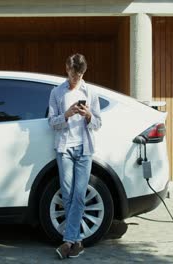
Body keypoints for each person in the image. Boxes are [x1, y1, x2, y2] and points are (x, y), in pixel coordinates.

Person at [47, 53, 102, 259]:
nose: (74, 79)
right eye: (72, 74)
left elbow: (98, 123)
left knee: (79, 195)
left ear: (83, 72)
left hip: (84, 149)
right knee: (68, 196)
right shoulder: (56, 93)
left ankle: (68, 242)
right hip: (64, 149)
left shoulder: (91, 92)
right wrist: (67, 114)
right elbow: (52, 122)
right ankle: (76, 242)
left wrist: (88, 115)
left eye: (78, 75)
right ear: (66, 69)